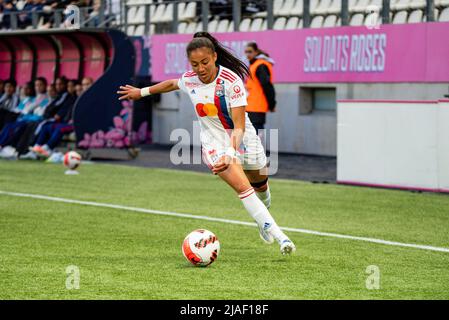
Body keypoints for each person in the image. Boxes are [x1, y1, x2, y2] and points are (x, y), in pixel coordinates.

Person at [117, 32, 296, 256]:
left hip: (243, 138)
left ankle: (264, 216)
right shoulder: (190, 78)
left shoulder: (232, 82)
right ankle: (282, 238)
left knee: (261, 186)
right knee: (244, 188)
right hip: (214, 144)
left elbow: (239, 126)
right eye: (194, 64)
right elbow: (172, 83)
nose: (200, 68)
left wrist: (232, 151)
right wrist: (141, 92)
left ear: (214, 56)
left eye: (204, 62)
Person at [0, 78, 48, 159]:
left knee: (14, 126)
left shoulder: (45, 99)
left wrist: (24, 116)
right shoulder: (30, 99)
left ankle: (4, 146)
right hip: (23, 119)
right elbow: (20, 110)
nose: (38, 87)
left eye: (40, 85)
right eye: (37, 85)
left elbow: (38, 114)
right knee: (8, 125)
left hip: (31, 121)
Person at [244, 42, 276, 135]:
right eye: (246, 52)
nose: (247, 54)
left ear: (256, 52)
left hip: (257, 106)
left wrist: (272, 104)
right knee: (253, 136)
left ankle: (260, 150)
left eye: (250, 52)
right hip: (251, 105)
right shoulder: (254, 65)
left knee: (256, 135)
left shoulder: (260, 65)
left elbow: (267, 86)